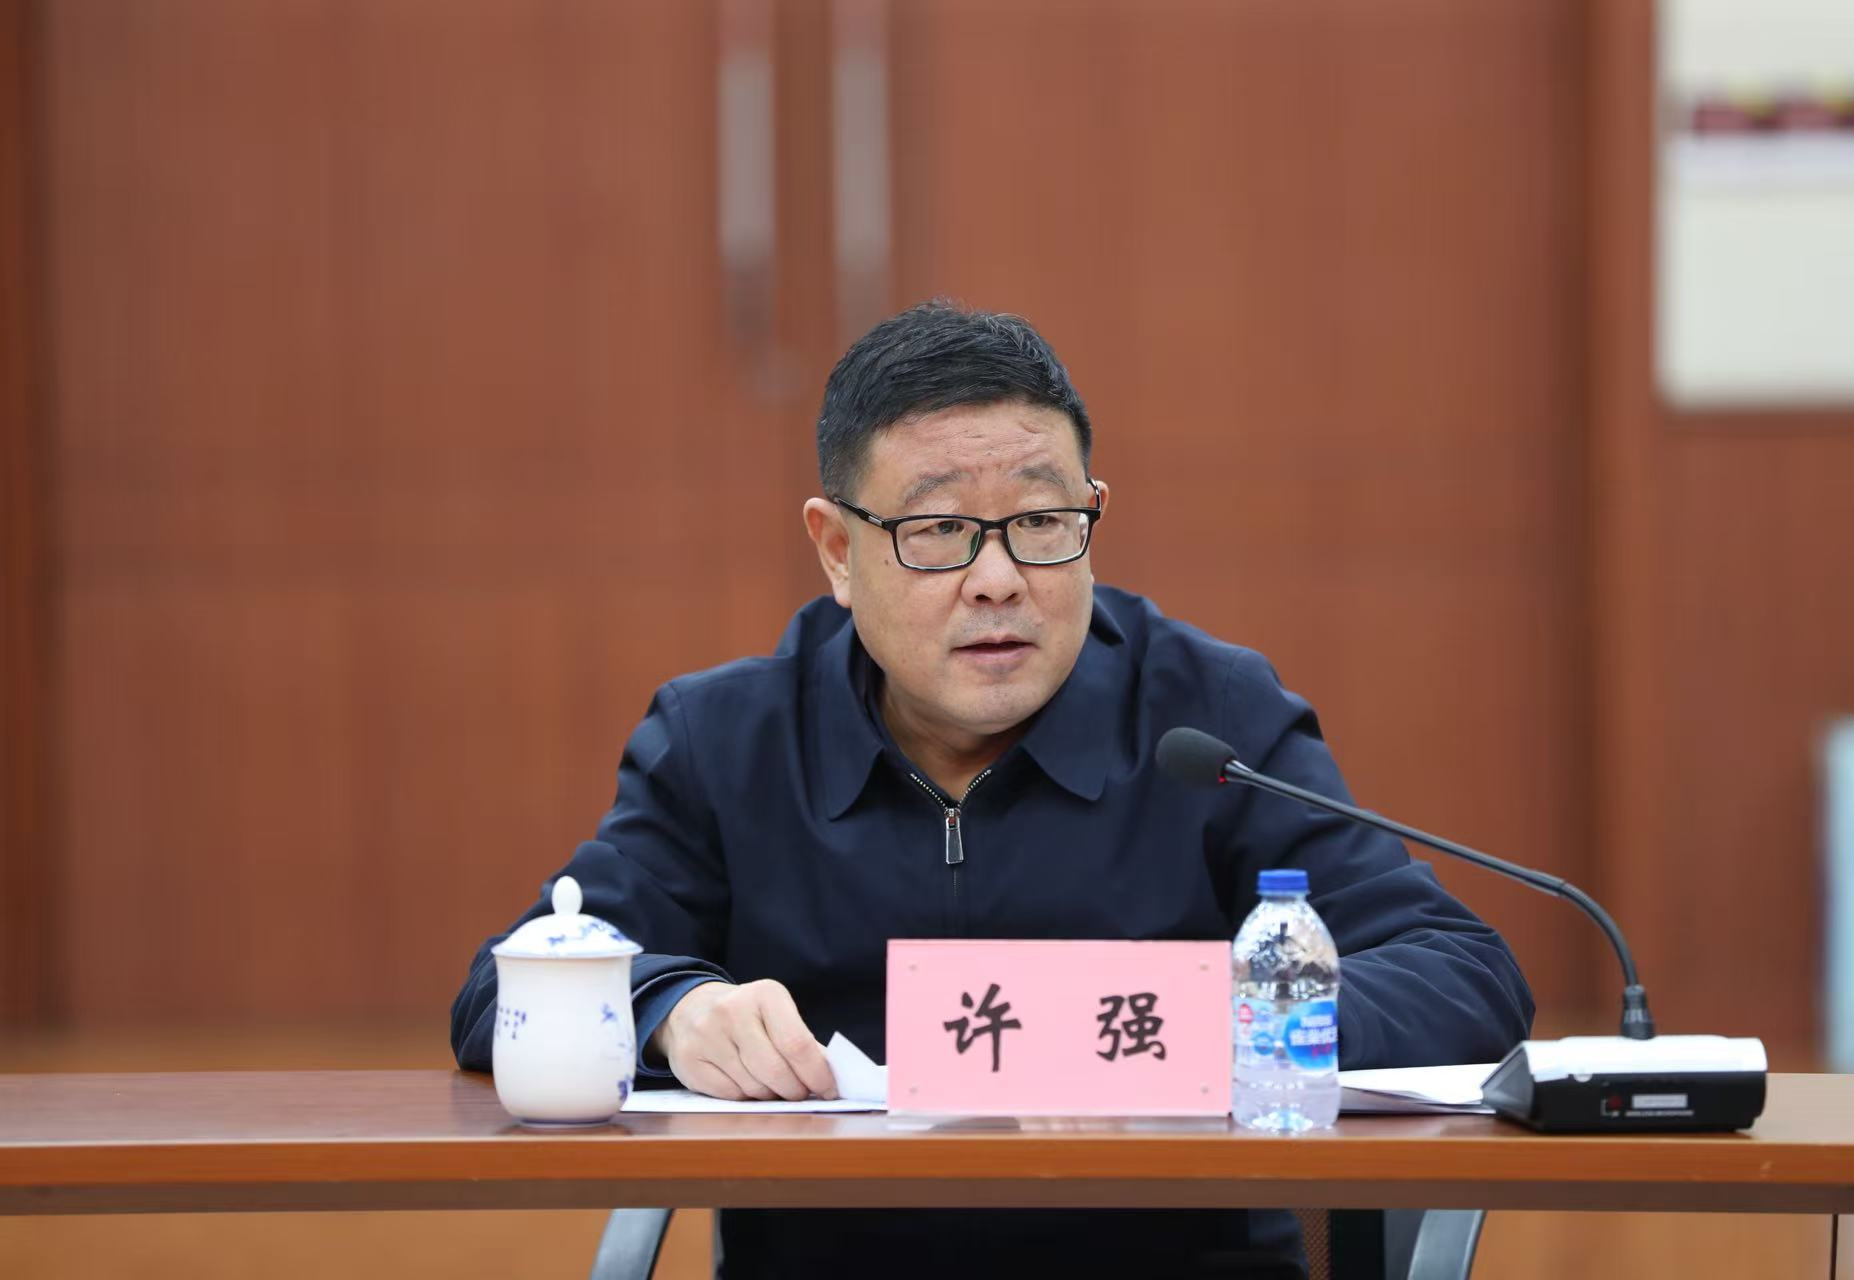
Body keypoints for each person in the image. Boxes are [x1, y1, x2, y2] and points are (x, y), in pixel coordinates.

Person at [451, 300, 1533, 1278]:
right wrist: (670, 1010)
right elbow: (502, 991)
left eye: (1042, 523)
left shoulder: (1206, 719)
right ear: (837, 549)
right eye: (938, 532)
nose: (1000, 578)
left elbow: (1463, 974)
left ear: (1092, 517)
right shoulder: (729, 740)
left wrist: (1208, 1019)